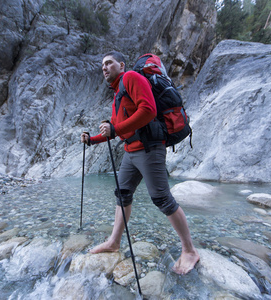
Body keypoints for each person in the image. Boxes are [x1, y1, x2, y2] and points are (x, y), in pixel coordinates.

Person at [80, 51, 200, 275]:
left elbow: (149, 110)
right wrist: (92, 140)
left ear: (121, 65)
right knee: (122, 194)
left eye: (109, 63)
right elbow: (117, 129)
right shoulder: (118, 93)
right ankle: (114, 241)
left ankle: (190, 250)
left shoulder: (132, 79)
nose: (104, 68)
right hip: (131, 152)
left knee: (162, 198)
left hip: (149, 149)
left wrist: (115, 128)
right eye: (102, 65)